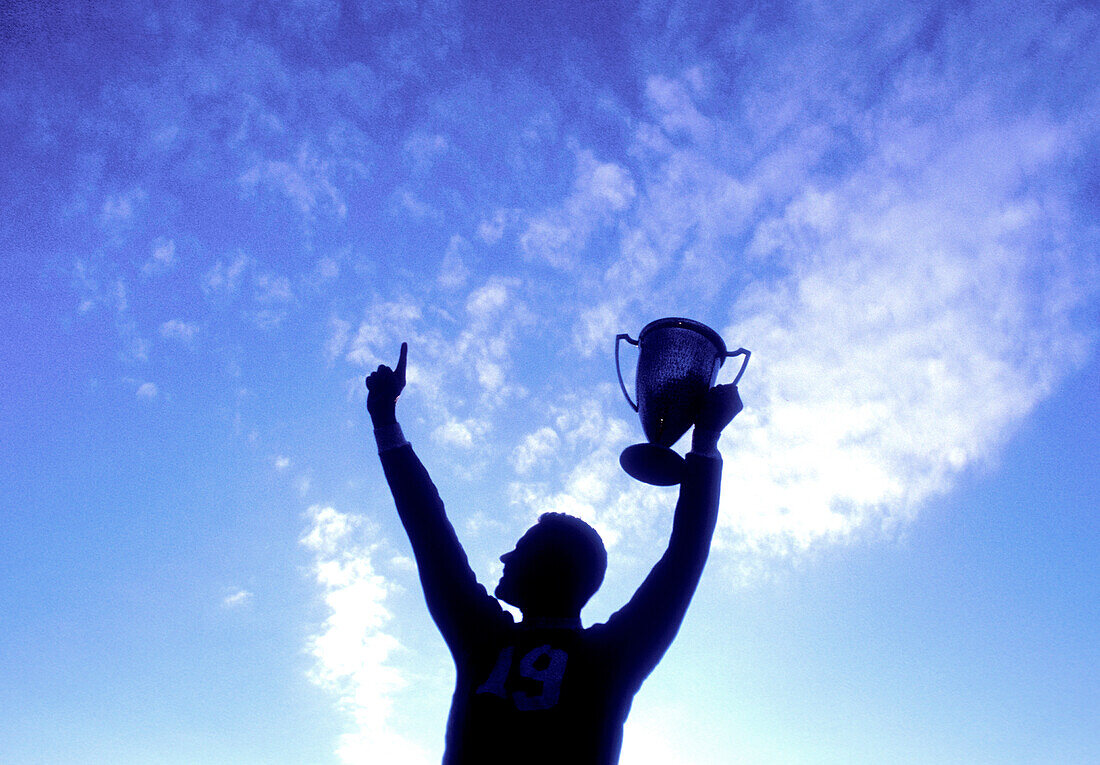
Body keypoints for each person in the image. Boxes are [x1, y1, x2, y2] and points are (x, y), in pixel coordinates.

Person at [366, 342, 742, 765]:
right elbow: (429, 531)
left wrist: (706, 440)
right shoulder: (607, 654)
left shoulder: (486, 638)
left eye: (521, 550)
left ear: (552, 569)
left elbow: (429, 531)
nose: (505, 558)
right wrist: (705, 445)